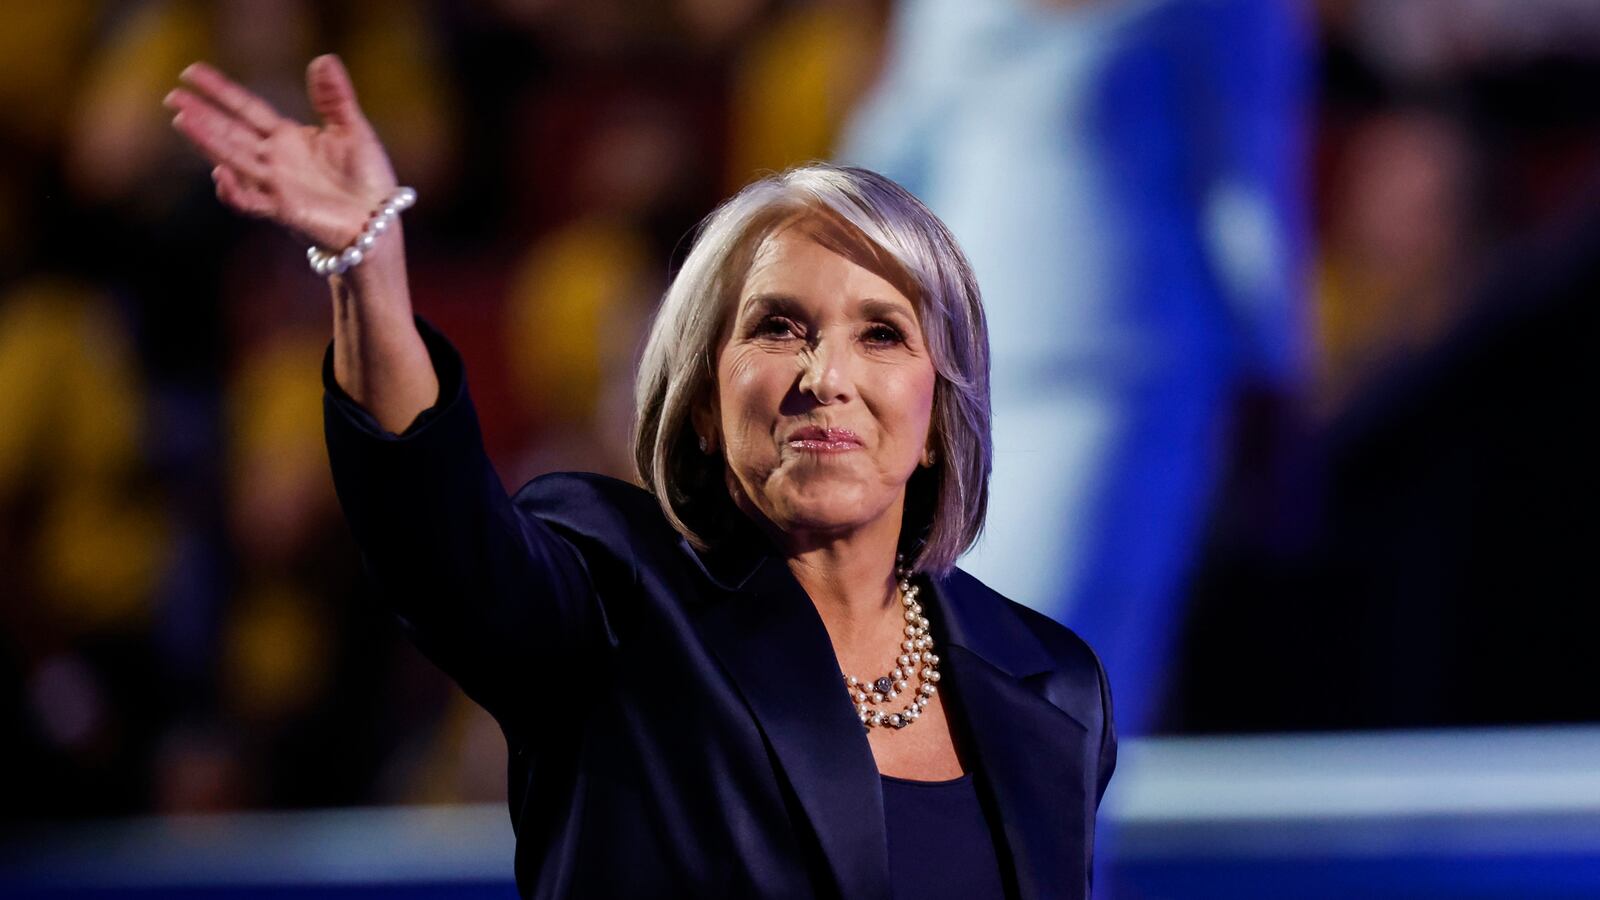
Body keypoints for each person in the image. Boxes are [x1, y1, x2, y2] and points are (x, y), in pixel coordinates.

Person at [165, 54, 1115, 899]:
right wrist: (367, 261)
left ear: (940, 420)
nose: (826, 379)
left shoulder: (1051, 688)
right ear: (702, 400)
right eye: (777, 326)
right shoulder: (613, 601)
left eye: (882, 334)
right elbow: (439, 532)